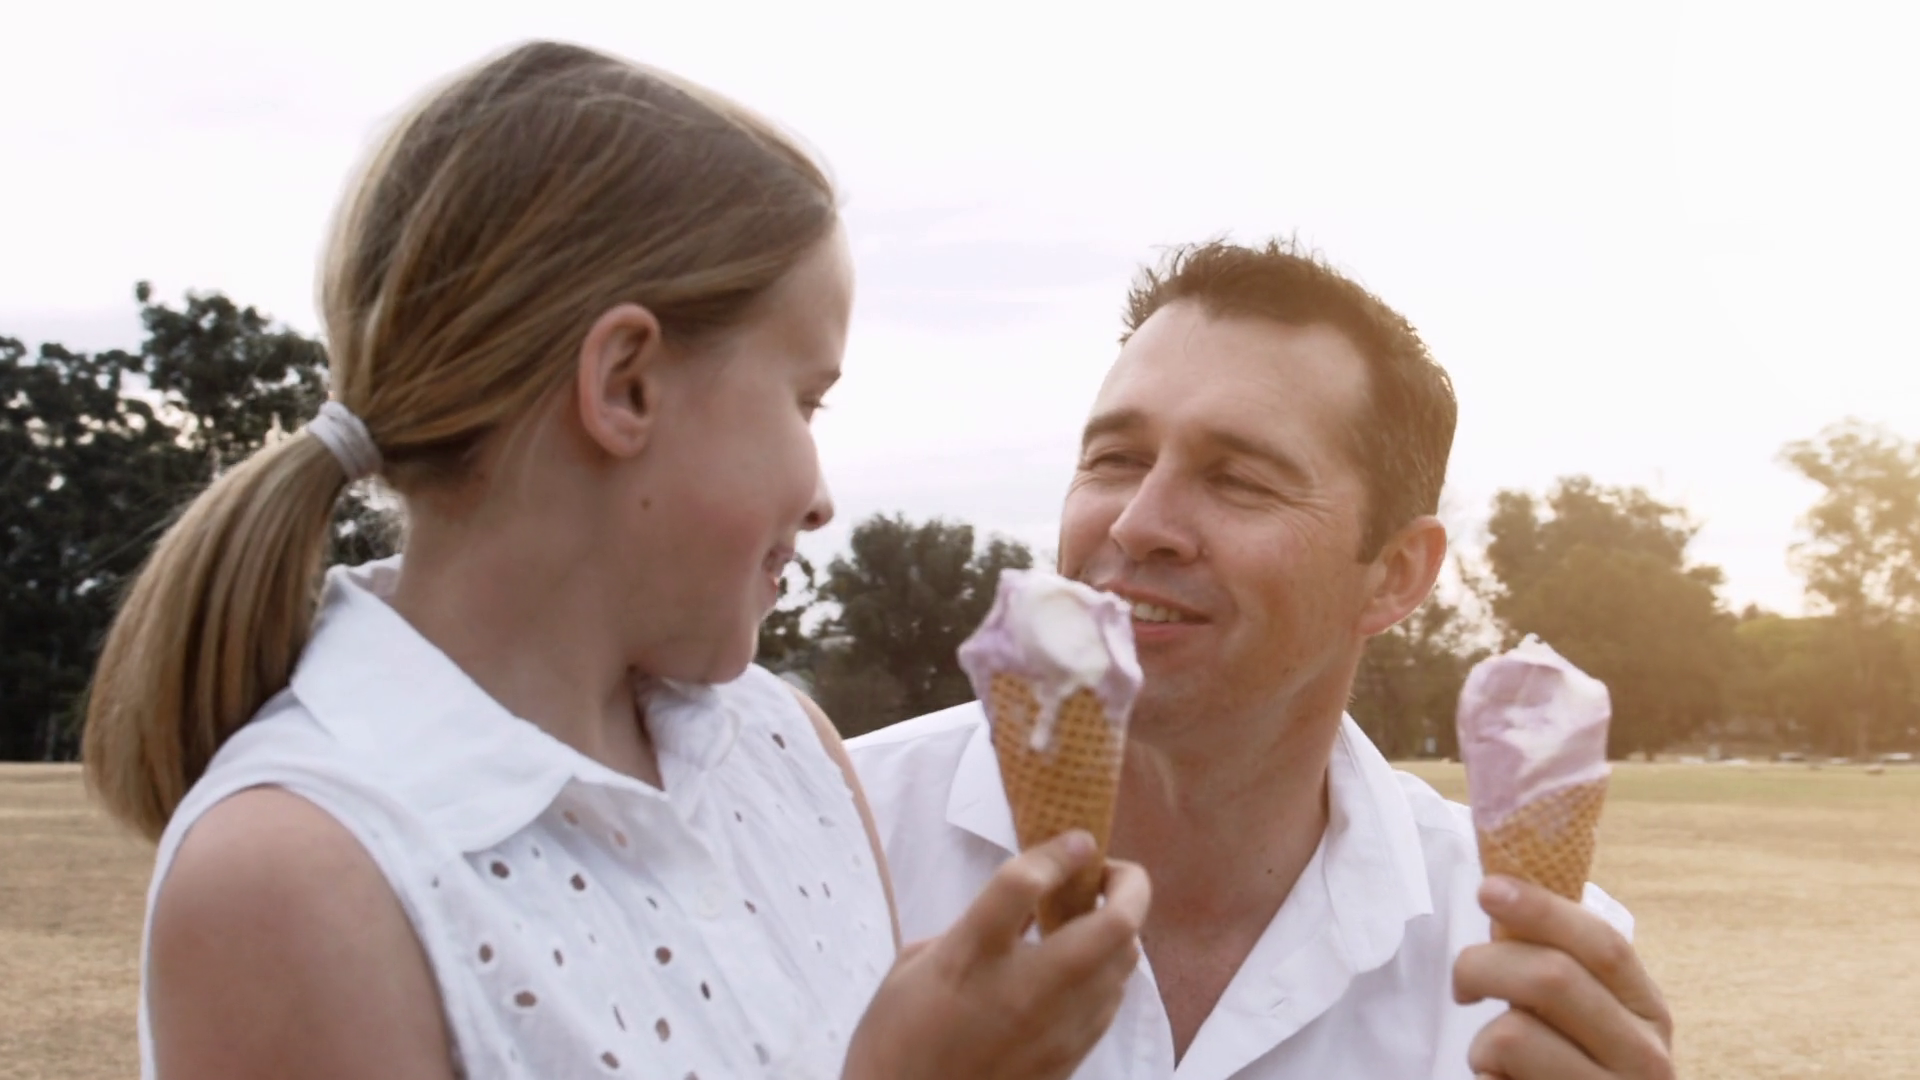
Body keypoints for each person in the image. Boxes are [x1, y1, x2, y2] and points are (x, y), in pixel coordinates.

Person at [82, 41, 1149, 1080]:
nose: (823, 497)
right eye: (805, 401)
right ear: (626, 384)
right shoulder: (293, 877)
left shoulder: (786, 744)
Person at [848, 239, 1676, 1080]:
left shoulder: (1537, 974)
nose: (1137, 523)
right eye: (1116, 460)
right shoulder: (833, 838)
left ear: (1395, 575)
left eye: (1238, 478)